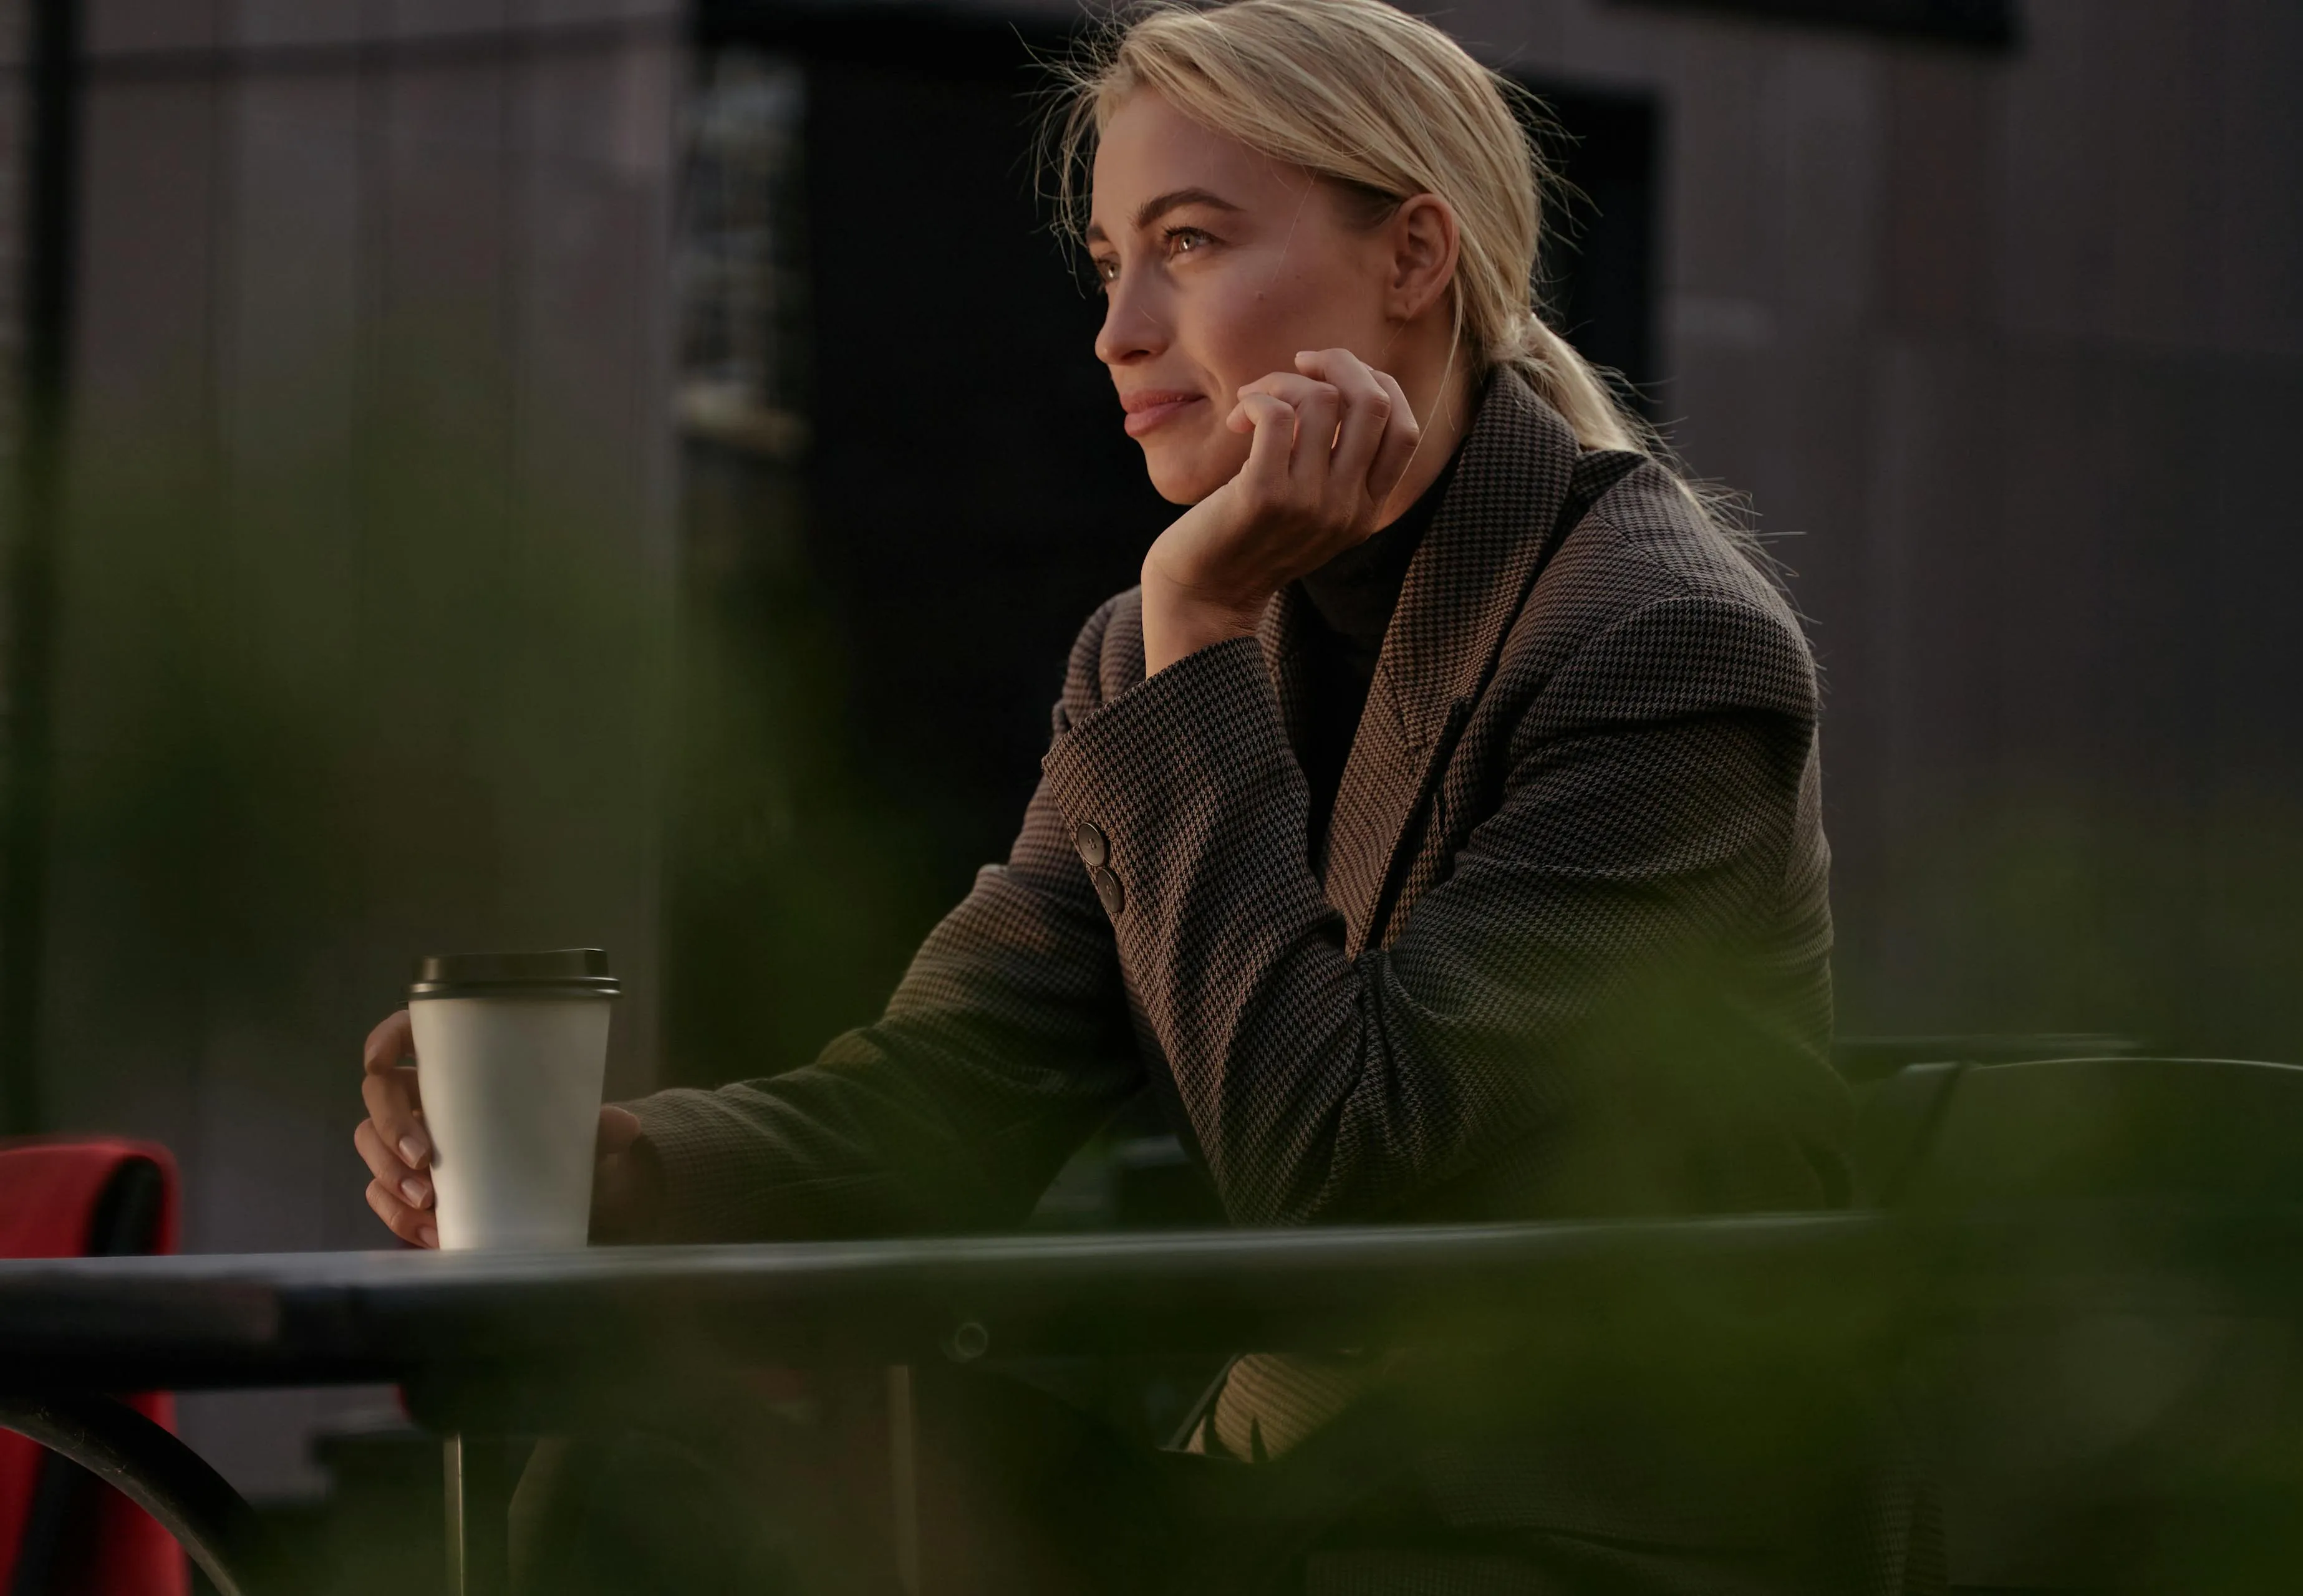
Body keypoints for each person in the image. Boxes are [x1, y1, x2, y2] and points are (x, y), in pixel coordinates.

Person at [354, 2, 1914, 1589]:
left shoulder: (1662, 643)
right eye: (1111, 263)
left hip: (1573, 1518)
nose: (1119, 329)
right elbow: (956, 1086)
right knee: (641, 1453)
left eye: (1189, 242)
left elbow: (1336, 1164)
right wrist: (623, 1164)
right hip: (1297, 1494)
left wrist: (1196, 633)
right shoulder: (1166, 647)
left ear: (1414, 257)